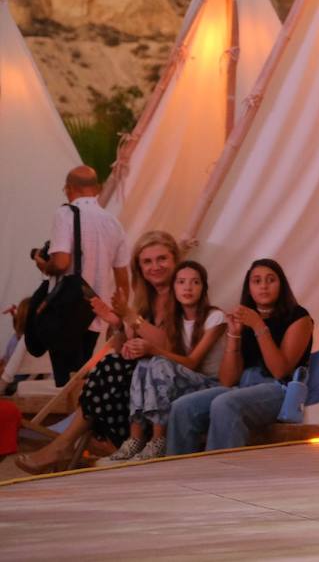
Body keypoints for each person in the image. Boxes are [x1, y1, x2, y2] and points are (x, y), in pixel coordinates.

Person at [14, 230, 180, 475]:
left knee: (110, 369)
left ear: (175, 260)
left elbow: (166, 348)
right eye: (147, 261)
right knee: (107, 365)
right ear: (139, 267)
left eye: (162, 259)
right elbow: (127, 346)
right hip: (141, 373)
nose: (155, 266)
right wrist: (114, 322)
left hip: (168, 375)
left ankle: (65, 446)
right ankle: (69, 445)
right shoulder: (146, 299)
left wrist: (129, 317)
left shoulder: (184, 290)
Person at [165, 259, 313, 455]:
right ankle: (180, 475)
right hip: (243, 386)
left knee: (225, 403)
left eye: (271, 280)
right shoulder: (246, 317)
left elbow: (280, 370)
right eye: (257, 281)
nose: (264, 286)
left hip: (280, 390)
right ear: (249, 287)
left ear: (282, 284)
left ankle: (219, 474)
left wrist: (259, 326)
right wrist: (234, 335)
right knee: (182, 407)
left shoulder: (299, 317)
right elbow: (227, 380)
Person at [98, 260, 227, 464]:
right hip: (185, 382)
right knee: (144, 364)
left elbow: (192, 363)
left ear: (203, 288)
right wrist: (135, 346)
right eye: (181, 282)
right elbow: (167, 357)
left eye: (195, 282)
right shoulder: (173, 320)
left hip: (211, 384)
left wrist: (153, 349)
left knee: (158, 362)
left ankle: (159, 440)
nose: (188, 287)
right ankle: (136, 438)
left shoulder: (215, 317)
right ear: (173, 288)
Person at [33, 165, 129, 384]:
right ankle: (80, 416)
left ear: (69, 188)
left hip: (65, 311)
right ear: (96, 189)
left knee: (67, 381)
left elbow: (61, 262)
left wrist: (43, 264)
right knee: (86, 377)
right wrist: (118, 320)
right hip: (96, 313)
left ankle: (71, 417)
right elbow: (123, 281)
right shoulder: (114, 223)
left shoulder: (65, 213)